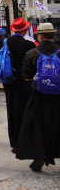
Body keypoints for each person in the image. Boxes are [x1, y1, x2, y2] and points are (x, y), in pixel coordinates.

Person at [16, 23, 60, 171]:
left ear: (39, 36)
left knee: (38, 125)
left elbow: (27, 78)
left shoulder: (31, 53)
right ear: (53, 35)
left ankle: (39, 156)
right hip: (58, 96)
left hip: (39, 96)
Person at [3, 18, 36, 153]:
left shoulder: (3, 42)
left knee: (11, 109)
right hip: (24, 80)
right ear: (25, 29)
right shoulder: (29, 45)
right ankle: (26, 140)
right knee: (25, 109)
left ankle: (15, 142)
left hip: (9, 80)